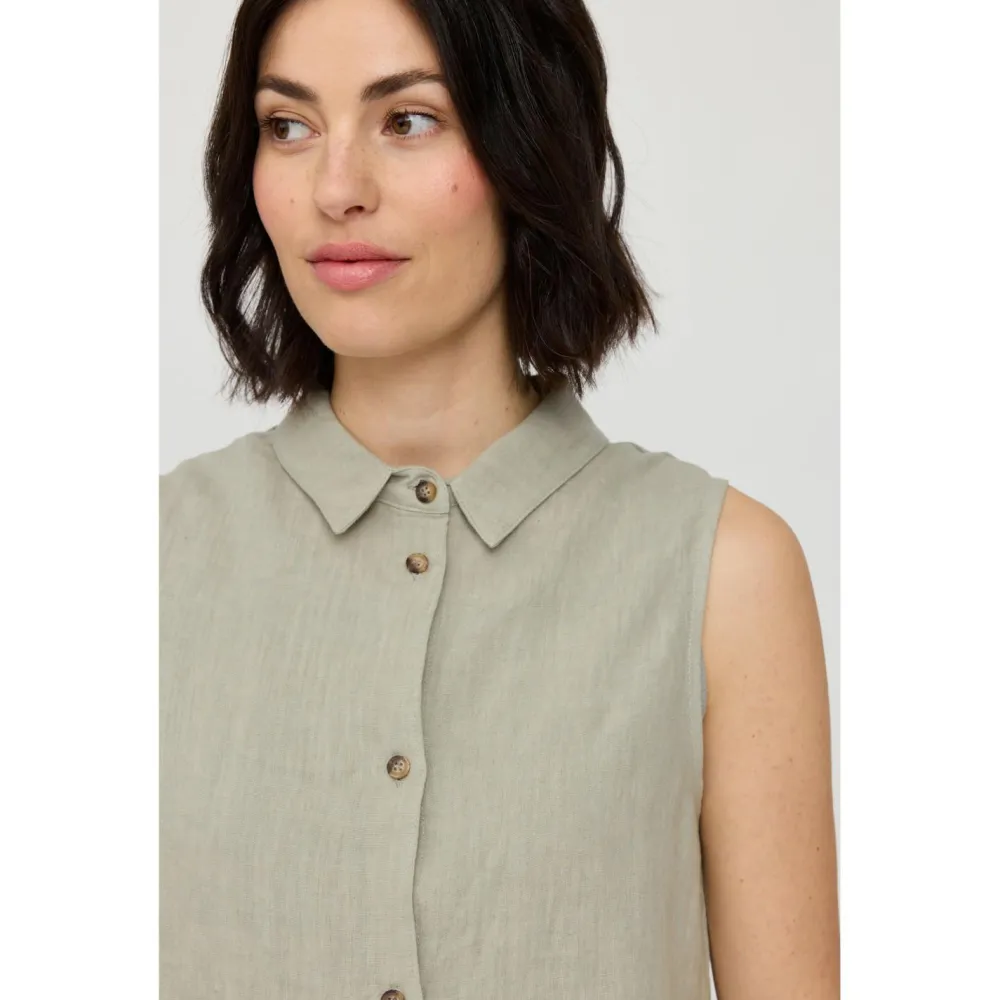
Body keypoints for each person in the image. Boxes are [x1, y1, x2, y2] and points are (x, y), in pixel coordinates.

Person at [160, 0, 840, 996]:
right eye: (288, 125)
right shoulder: (149, 565)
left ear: (531, 144)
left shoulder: (719, 574)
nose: (335, 189)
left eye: (408, 119)